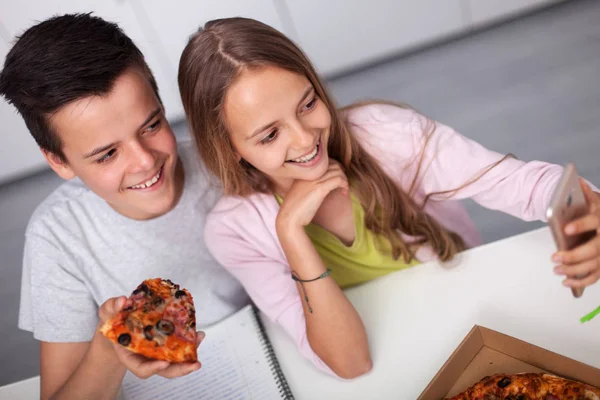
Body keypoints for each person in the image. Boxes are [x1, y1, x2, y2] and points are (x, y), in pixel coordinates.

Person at [177, 17, 600, 379]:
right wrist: (290, 232)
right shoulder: (233, 232)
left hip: (473, 312)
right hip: (390, 361)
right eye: (270, 134)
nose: (306, 140)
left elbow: (518, 183)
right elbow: (351, 362)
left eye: (308, 105)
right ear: (228, 146)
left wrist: (585, 212)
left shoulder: (384, 133)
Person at [0, 13, 249, 399]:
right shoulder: (58, 235)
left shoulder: (226, 163)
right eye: (107, 154)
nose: (145, 162)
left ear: (161, 101)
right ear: (59, 161)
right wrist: (110, 348)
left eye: (151, 126)